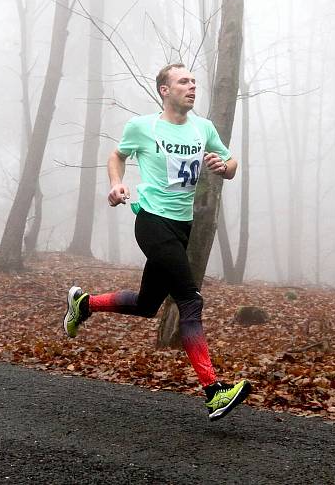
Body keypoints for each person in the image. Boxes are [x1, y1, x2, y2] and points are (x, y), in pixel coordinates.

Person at [64, 63, 251, 421]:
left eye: (194, 82)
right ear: (165, 90)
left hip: (183, 226)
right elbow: (116, 155)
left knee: (148, 304)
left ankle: (85, 304)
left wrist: (223, 166)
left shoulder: (203, 128)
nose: (192, 87)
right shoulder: (143, 126)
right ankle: (213, 391)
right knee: (190, 299)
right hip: (151, 221)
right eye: (184, 82)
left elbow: (231, 162)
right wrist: (116, 184)